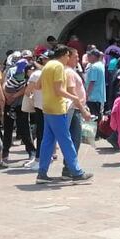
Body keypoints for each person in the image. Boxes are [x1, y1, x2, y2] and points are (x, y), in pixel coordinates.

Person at [35, 46, 93, 184]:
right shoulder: (59, 67)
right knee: (66, 141)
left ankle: (42, 173)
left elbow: (38, 86)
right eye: (68, 56)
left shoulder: (48, 65)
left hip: (47, 107)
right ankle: (77, 173)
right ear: (64, 55)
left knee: (47, 141)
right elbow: (59, 90)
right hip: (57, 108)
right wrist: (74, 98)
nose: (68, 58)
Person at [83, 49, 106, 118]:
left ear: (93, 56)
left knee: (93, 118)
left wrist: (87, 95)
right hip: (99, 96)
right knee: (98, 116)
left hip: (93, 97)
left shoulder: (94, 67)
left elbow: (92, 82)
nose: (88, 58)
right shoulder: (101, 65)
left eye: (89, 56)